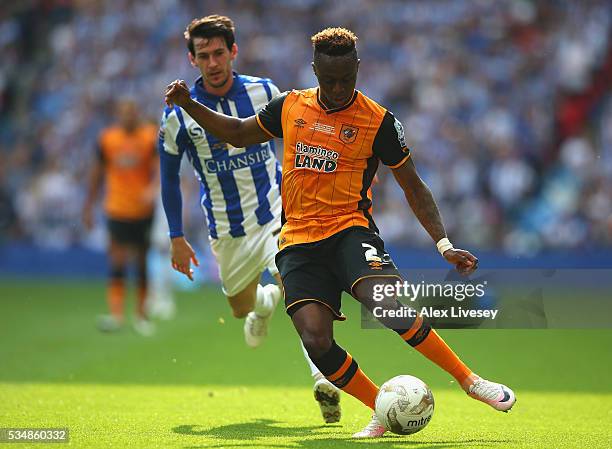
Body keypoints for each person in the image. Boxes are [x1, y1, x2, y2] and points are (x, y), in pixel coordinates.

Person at [164, 26, 517, 438]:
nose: (336, 89)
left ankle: (469, 381)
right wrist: (188, 103)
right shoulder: (291, 106)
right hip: (296, 241)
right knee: (315, 340)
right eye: (328, 80)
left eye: (345, 80)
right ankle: (380, 410)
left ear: (357, 69)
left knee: (389, 306)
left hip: (350, 231)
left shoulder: (379, 121)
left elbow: (413, 186)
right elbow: (239, 133)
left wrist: (443, 244)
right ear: (314, 70)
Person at [158, 15, 341, 424]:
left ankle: (322, 378)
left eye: (219, 52)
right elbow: (169, 177)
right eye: (203, 55)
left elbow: (300, 143)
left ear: (233, 52)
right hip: (227, 229)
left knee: (300, 291)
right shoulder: (177, 117)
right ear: (192, 60)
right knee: (240, 308)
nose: (212, 62)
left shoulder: (265, 91)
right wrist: (175, 236)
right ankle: (262, 306)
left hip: (279, 213)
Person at [83, 99, 158, 336]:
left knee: (141, 261)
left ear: (137, 114)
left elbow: (160, 169)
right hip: (116, 208)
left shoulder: (149, 137)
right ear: (118, 115)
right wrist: (88, 204)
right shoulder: (108, 139)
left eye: (131, 112)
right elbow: (97, 172)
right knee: (117, 260)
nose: (127, 117)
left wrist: (153, 189)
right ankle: (116, 314)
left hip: (142, 210)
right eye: (123, 113)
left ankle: (141, 315)